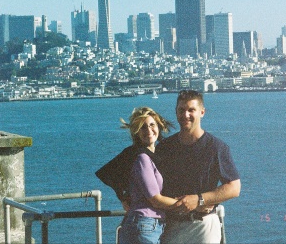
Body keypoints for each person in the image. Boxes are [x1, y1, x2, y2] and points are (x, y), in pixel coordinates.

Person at [155, 90, 241, 244]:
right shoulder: (164, 148)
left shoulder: (216, 147)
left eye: (191, 110)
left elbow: (234, 187)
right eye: (181, 110)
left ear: (202, 112)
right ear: (176, 112)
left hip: (204, 226)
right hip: (170, 226)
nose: (186, 114)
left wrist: (199, 200)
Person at [95, 107, 179, 244]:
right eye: (143, 127)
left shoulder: (152, 155)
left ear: (159, 125)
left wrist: (123, 197)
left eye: (152, 125)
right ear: (137, 133)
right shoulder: (142, 157)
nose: (149, 131)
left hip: (148, 225)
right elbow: (155, 200)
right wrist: (192, 204)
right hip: (144, 226)